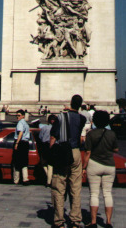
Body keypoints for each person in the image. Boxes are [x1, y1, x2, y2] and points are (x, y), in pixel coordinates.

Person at [50, 95, 86, 228]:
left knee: (59, 187)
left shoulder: (61, 117)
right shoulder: (82, 118)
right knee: (75, 188)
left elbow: (53, 136)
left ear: (70, 103)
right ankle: (75, 220)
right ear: (81, 105)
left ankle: (59, 221)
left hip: (62, 152)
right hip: (76, 152)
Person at [82, 110, 119, 228]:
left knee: (94, 194)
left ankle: (93, 222)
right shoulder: (112, 134)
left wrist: (83, 167)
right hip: (109, 165)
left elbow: (87, 152)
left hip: (94, 164)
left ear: (95, 121)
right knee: (107, 194)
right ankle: (108, 222)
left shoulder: (91, 134)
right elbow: (116, 150)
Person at [12, 109, 30, 185]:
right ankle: (25, 179)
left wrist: (17, 143)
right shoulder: (26, 123)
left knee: (17, 162)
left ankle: (16, 180)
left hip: (20, 142)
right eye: (16, 115)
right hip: (25, 143)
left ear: (23, 116)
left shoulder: (20, 123)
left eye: (19, 115)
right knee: (24, 162)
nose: (17, 117)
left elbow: (20, 133)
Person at [39, 114, 57, 187]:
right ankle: (49, 180)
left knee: (43, 163)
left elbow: (40, 137)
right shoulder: (56, 128)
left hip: (45, 146)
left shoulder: (44, 128)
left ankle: (49, 179)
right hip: (53, 146)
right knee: (50, 164)